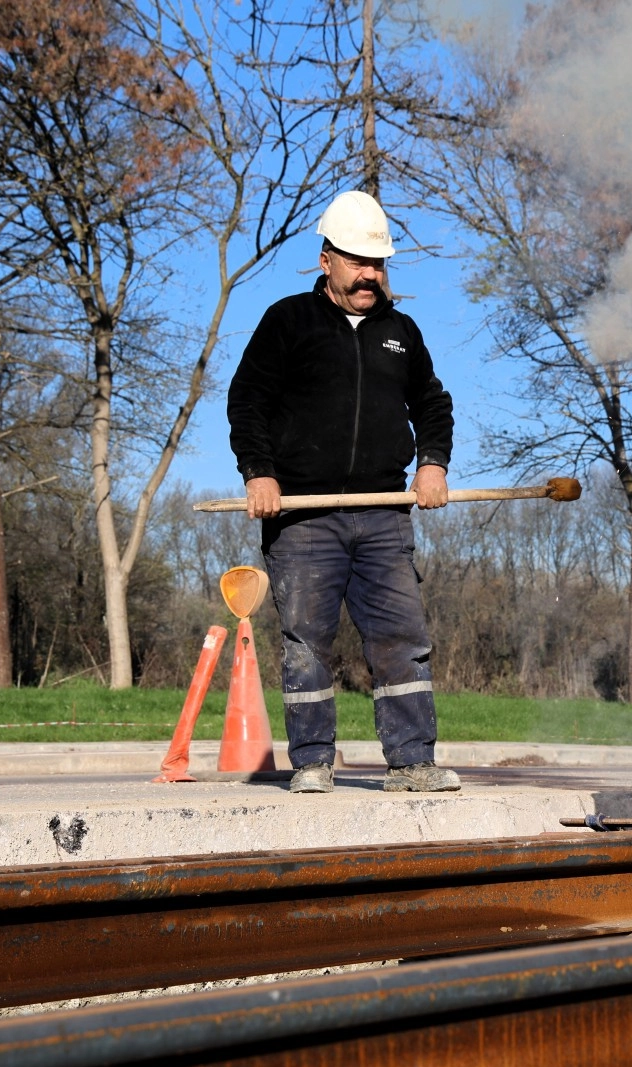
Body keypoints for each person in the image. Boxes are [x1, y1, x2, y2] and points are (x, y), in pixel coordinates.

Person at [226, 191, 460, 795]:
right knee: (307, 643)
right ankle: (312, 763)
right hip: (304, 518)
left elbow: (432, 404)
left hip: (384, 514)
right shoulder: (288, 321)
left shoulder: (401, 332)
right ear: (326, 260)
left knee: (402, 641)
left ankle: (412, 763)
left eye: (378, 263)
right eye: (357, 262)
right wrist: (259, 472)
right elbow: (247, 400)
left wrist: (432, 465)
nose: (369, 275)